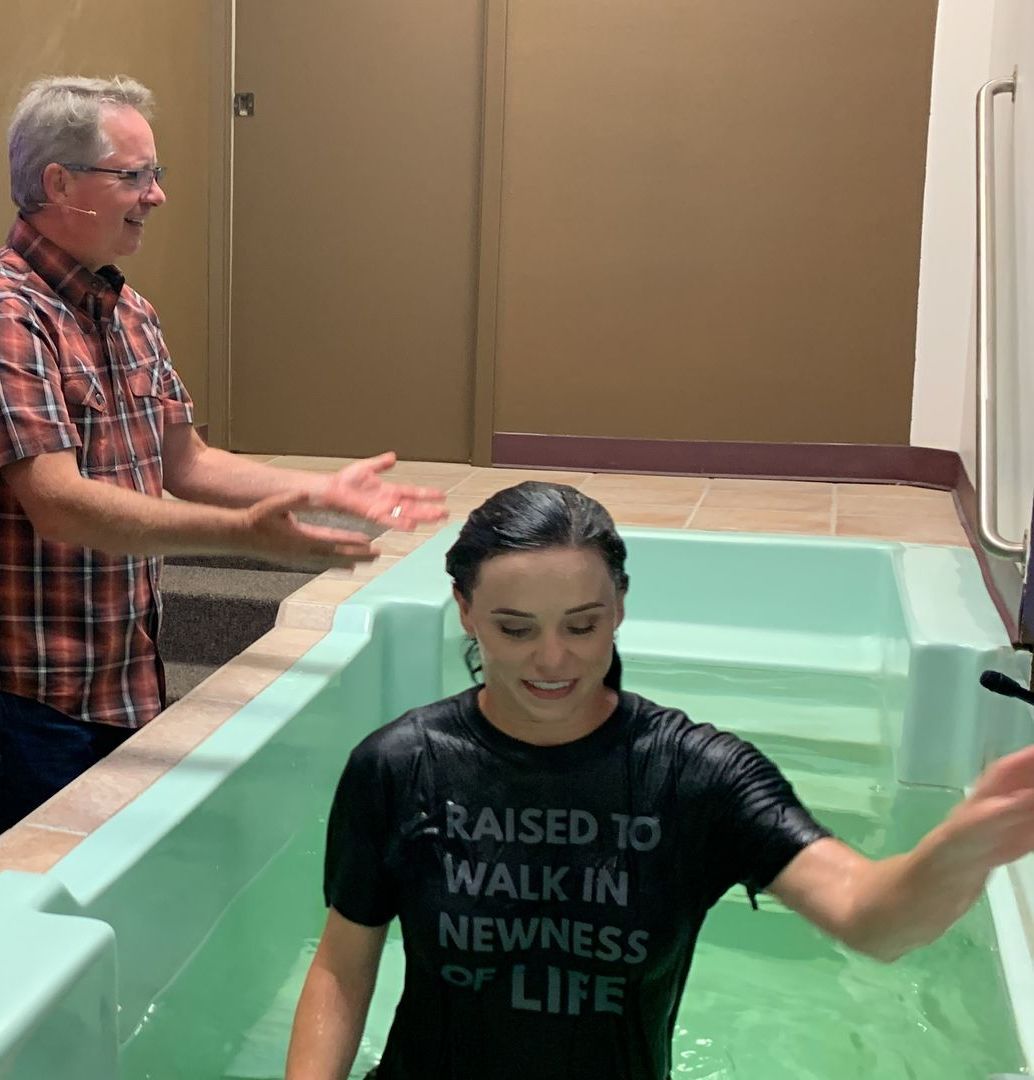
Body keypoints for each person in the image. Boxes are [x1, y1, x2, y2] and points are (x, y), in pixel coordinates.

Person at [285, 481, 1034, 1080]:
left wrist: (963, 848)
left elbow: (872, 918)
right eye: (516, 629)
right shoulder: (400, 765)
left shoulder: (694, 775)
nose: (552, 659)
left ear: (619, 608)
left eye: (582, 625)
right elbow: (342, 969)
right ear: (466, 613)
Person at [0, 75, 445, 831]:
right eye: (133, 176)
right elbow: (59, 504)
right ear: (58, 183)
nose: (156, 195)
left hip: (124, 675)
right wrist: (243, 535)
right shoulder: (13, 314)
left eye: (156, 174)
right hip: (32, 698)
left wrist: (320, 491)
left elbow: (187, 462)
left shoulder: (129, 311)